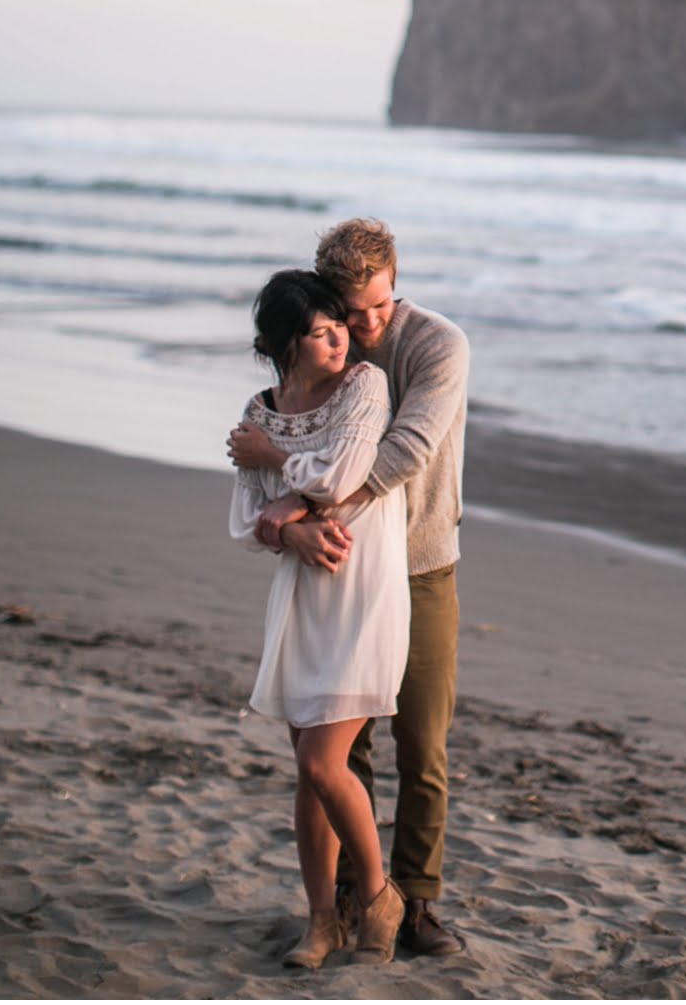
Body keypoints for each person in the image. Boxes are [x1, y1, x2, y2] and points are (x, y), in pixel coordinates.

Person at [244, 218, 470, 960]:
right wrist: (292, 522)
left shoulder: (436, 345)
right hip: (334, 568)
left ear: (396, 281)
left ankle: (416, 900)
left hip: (420, 561)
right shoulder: (327, 349)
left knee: (422, 742)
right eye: (350, 310)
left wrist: (302, 504)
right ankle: (347, 897)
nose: (365, 325)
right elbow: (283, 447)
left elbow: (406, 450)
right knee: (341, 748)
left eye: (378, 306)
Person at [227, 268, 410, 970]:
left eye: (340, 326)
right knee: (309, 775)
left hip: (362, 589)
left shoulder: (365, 384)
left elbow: (343, 476)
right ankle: (322, 921)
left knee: (320, 759)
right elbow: (246, 519)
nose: (339, 340)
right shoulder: (260, 408)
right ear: (285, 345)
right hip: (303, 595)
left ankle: (379, 895)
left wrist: (275, 462)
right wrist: (296, 533)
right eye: (320, 332)